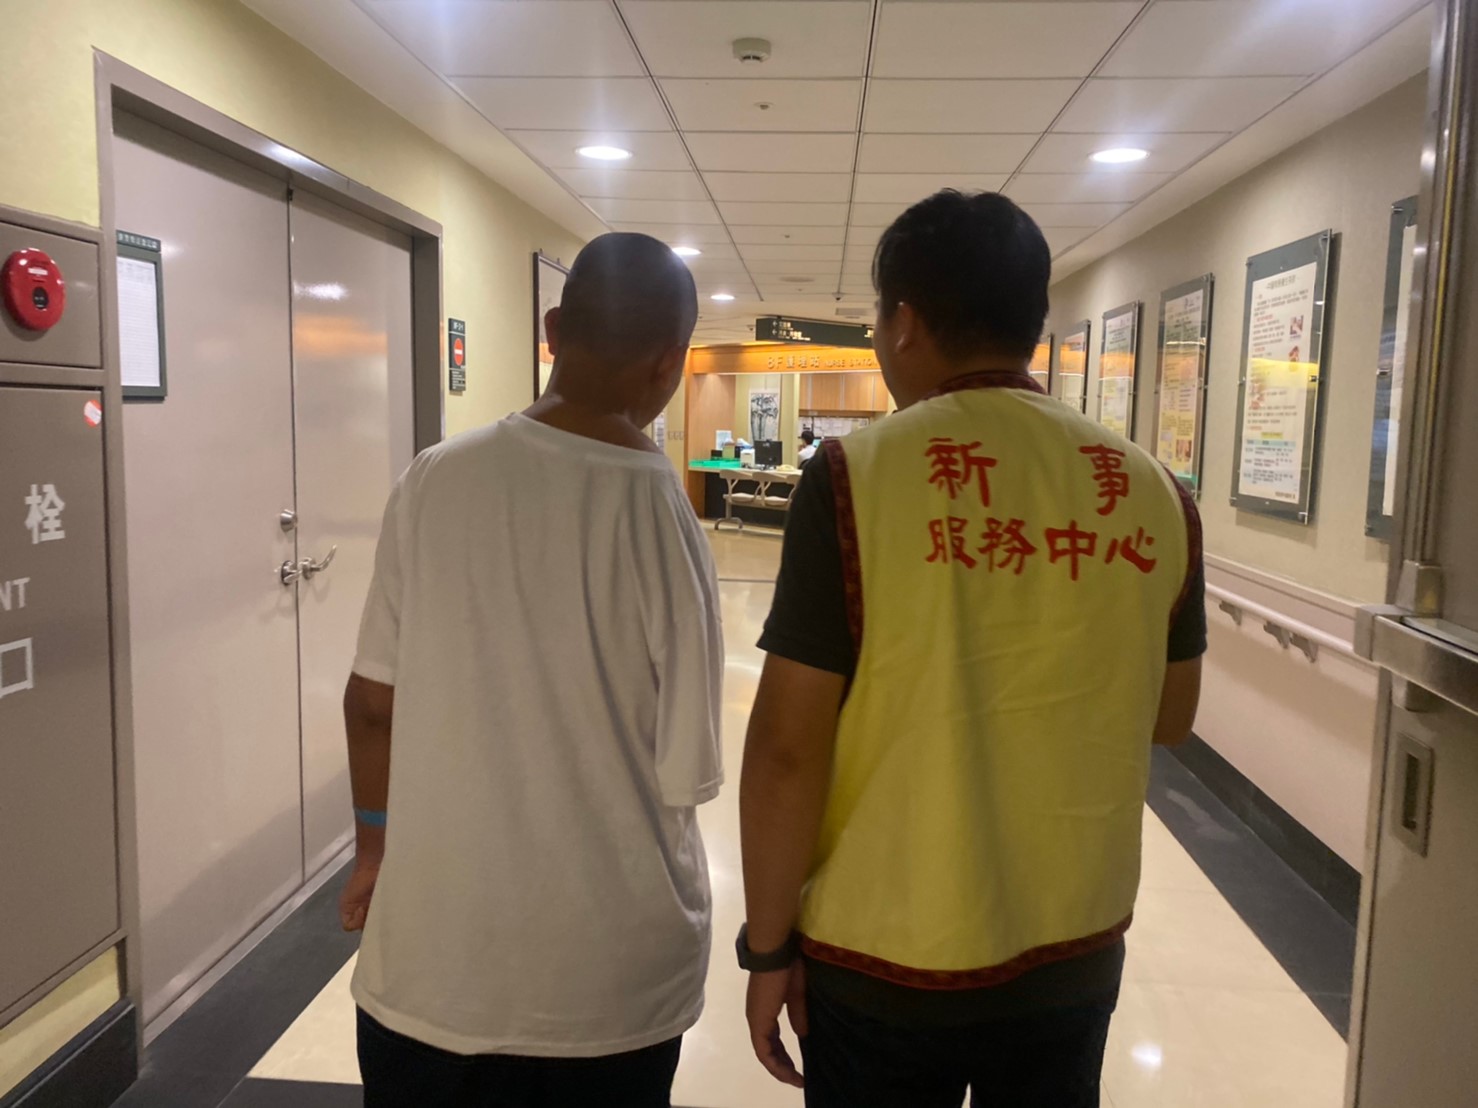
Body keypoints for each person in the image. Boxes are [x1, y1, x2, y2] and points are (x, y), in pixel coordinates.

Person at [737, 191, 1205, 1108]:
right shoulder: (1154, 491)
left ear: (905, 322)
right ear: (1031, 320)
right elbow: (1171, 717)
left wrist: (767, 948)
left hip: (881, 954)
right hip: (1070, 947)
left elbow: (789, 749)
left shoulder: (852, 478)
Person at [341, 232, 724, 1107]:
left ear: (553, 330)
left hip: (428, 976)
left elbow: (371, 703)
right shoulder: (665, 517)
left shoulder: (432, 478)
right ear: (670, 363)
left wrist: (373, 848)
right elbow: (687, 768)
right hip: (610, 992)